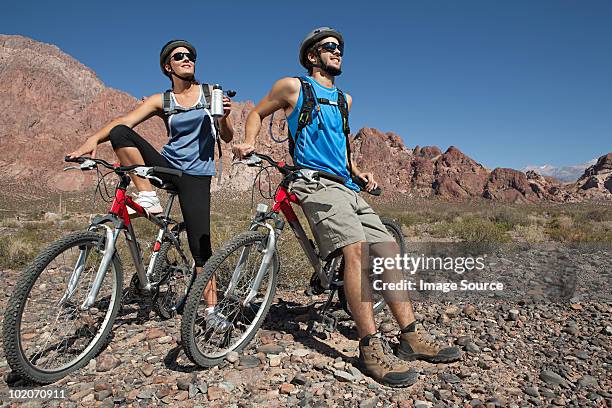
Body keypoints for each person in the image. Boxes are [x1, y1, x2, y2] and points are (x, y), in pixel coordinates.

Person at [232, 27, 461, 387]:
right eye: (329, 47)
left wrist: (358, 172)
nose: (337, 52)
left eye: (340, 48)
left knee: (386, 249)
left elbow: (341, 146)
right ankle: (369, 347)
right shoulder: (293, 87)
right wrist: (247, 141)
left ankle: (411, 336)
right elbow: (256, 114)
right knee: (354, 248)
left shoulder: (344, 100)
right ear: (312, 56)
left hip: (346, 186)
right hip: (313, 181)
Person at [68, 40, 233, 331]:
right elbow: (125, 120)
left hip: (196, 176)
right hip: (167, 166)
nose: (187, 59)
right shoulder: (163, 100)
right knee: (120, 132)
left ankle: (211, 310)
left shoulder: (211, 93)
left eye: (191, 56)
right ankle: (147, 195)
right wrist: (92, 140)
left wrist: (225, 119)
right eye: (179, 56)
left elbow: (228, 137)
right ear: (168, 66)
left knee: (201, 248)